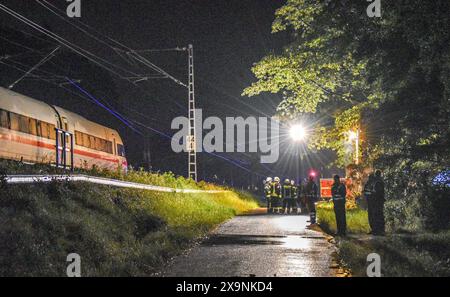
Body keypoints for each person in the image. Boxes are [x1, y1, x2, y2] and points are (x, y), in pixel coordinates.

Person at [372, 170, 386, 235]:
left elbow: (378, 192)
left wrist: (373, 193)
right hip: (379, 200)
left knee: (378, 214)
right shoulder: (380, 181)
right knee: (379, 214)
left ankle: (380, 230)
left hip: (378, 200)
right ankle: (379, 230)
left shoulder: (378, 182)